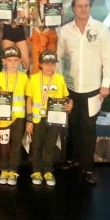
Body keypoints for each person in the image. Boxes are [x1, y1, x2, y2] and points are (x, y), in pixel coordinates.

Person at [57, 0, 110, 185]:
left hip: (93, 89)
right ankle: (72, 159)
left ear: (90, 7)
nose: (83, 9)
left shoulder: (101, 29)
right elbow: (59, 58)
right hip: (71, 88)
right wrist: (59, 86)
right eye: (79, 6)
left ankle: (88, 168)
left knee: (88, 128)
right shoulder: (65, 31)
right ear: (73, 8)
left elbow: (108, 59)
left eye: (86, 5)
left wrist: (106, 84)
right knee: (73, 125)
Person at [25, 50, 73, 186]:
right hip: (37, 118)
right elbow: (29, 100)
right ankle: (36, 170)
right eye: (46, 63)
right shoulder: (34, 78)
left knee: (50, 145)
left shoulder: (59, 78)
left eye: (52, 63)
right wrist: (29, 120)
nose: (50, 66)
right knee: (37, 145)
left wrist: (70, 103)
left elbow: (65, 97)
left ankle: (48, 170)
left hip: (55, 118)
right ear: (40, 64)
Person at [0, 46, 28, 186]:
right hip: (2, 118)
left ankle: (13, 170)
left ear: (19, 61)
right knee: (3, 145)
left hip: (19, 117)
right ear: (4, 61)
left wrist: (29, 119)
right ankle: (4, 169)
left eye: (15, 60)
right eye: (9, 60)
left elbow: (28, 97)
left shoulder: (24, 77)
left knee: (16, 145)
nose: (12, 63)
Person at [28, 0, 59, 74]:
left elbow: (57, 23)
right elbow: (31, 22)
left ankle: (50, 83)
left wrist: (59, 15)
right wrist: (30, 16)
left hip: (50, 36)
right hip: (37, 35)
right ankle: (36, 83)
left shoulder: (54, 2)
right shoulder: (32, 2)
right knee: (36, 63)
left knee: (50, 62)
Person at [0, 0, 30, 71]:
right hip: (7, 31)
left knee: (25, 62)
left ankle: (24, 79)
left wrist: (24, 17)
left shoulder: (26, 2)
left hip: (20, 31)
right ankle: (7, 79)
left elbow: (27, 23)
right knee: (7, 60)